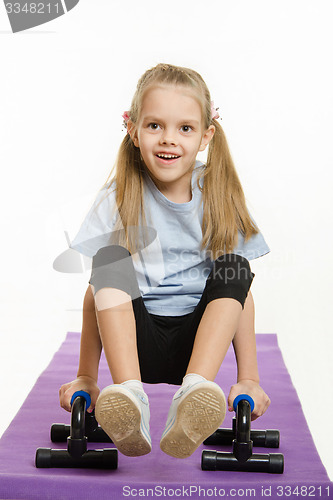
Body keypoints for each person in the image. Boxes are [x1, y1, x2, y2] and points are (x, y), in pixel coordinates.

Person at [59, 63, 271, 459]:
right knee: (109, 260)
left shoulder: (217, 195)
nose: (168, 139)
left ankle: (193, 393)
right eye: (155, 126)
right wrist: (86, 376)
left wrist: (250, 379)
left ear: (206, 135)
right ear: (133, 130)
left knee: (235, 268)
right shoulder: (119, 197)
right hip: (134, 346)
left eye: (184, 128)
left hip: (198, 344)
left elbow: (239, 298)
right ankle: (131, 397)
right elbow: (95, 295)